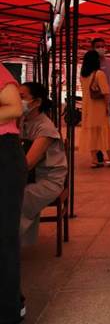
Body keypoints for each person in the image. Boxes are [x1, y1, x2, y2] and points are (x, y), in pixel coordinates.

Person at [19, 83, 68, 246]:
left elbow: (27, 164)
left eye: (22, 97)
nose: (17, 101)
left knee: (14, 198)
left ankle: (9, 244)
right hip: (30, 177)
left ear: (37, 102)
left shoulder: (45, 128)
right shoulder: (22, 121)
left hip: (47, 181)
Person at [0, 63, 26, 324]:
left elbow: (15, 107)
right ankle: (13, 303)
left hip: (4, 152)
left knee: (3, 237)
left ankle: (6, 321)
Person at [80, 50, 110, 167]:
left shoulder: (83, 76)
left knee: (93, 134)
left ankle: (94, 160)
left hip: (87, 108)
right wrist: (108, 107)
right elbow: (105, 92)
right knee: (105, 132)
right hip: (99, 107)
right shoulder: (99, 74)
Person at [91, 38, 110, 159]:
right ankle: (98, 153)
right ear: (93, 48)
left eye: (102, 46)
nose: (101, 48)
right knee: (97, 129)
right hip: (96, 102)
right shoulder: (90, 64)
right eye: (98, 46)